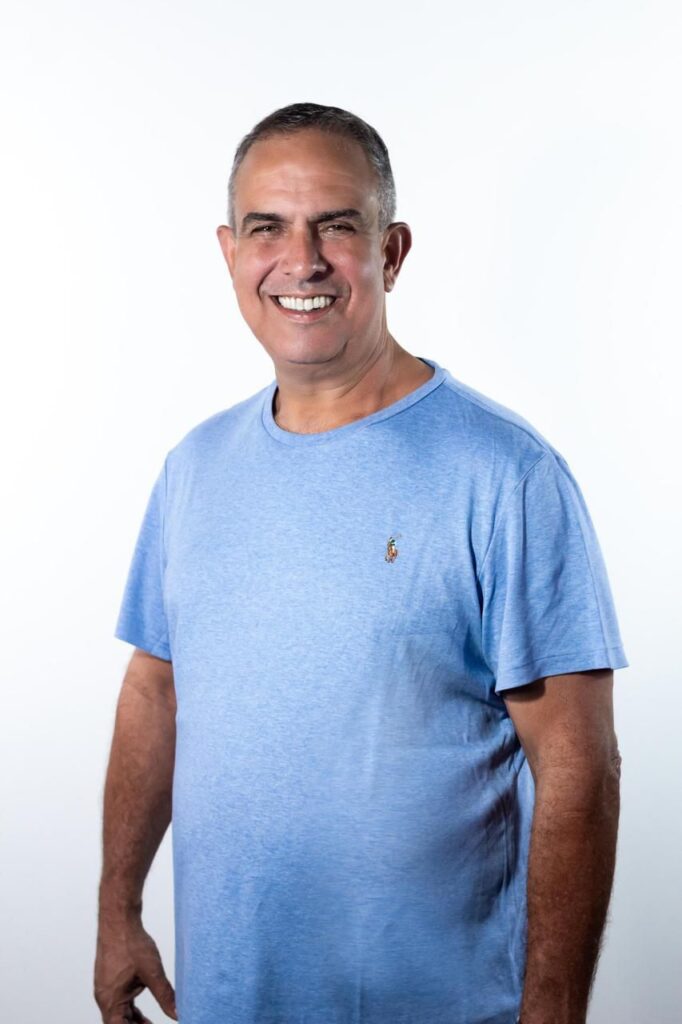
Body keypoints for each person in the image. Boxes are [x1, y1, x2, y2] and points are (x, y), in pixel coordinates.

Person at [94, 102, 629, 1024]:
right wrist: (117, 909)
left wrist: (553, 1014)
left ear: (392, 250)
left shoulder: (504, 473)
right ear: (230, 251)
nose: (300, 261)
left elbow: (579, 764)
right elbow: (156, 689)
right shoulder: (195, 468)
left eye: (336, 226)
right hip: (226, 998)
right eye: (268, 227)